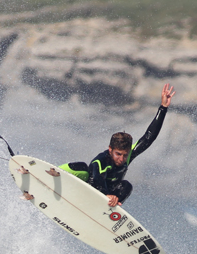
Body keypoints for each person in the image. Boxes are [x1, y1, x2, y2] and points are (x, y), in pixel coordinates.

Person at [23, 83, 176, 207]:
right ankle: (49, 175)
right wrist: (105, 194)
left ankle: (110, 211)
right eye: (118, 154)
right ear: (110, 150)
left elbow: (148, 138)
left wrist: (163, 108)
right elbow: (97, 179)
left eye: (125, 155)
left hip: (107, 200)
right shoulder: (101, 160)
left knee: (126, 186)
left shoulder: (127, 156)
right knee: (81, 167)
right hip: (88, 190)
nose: (122, 159)